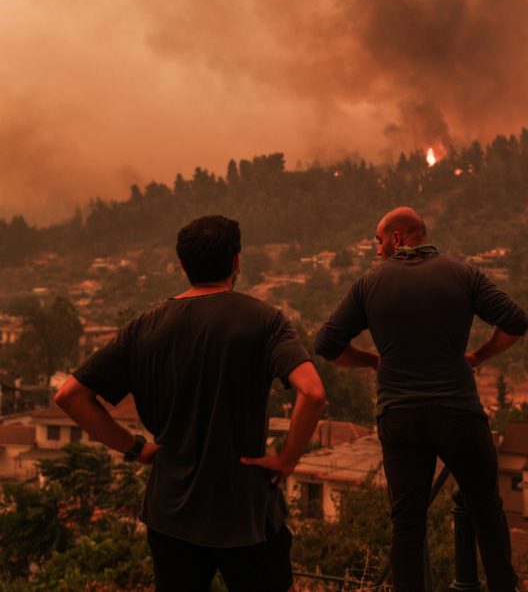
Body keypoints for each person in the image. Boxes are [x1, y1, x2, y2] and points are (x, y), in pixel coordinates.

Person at [55, 215, 326, 592]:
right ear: (236, 262)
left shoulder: (144, 326)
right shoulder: (266, 321)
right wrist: (287, 459)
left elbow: (70, 395)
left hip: (171, 514)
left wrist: (135, 448)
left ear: (182, 265)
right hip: (246, 512)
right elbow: (312, 393)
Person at [315, 206, 528, 592]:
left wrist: (372, 362)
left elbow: (326, 344)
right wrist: (479, 356)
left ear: (396, 239)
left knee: (408, 523)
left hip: (400, 418)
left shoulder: (369, 283)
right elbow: (516, 321)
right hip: (459, 413)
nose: (377, 250)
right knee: (486, 508)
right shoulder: (464, 274)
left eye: (378, 241)